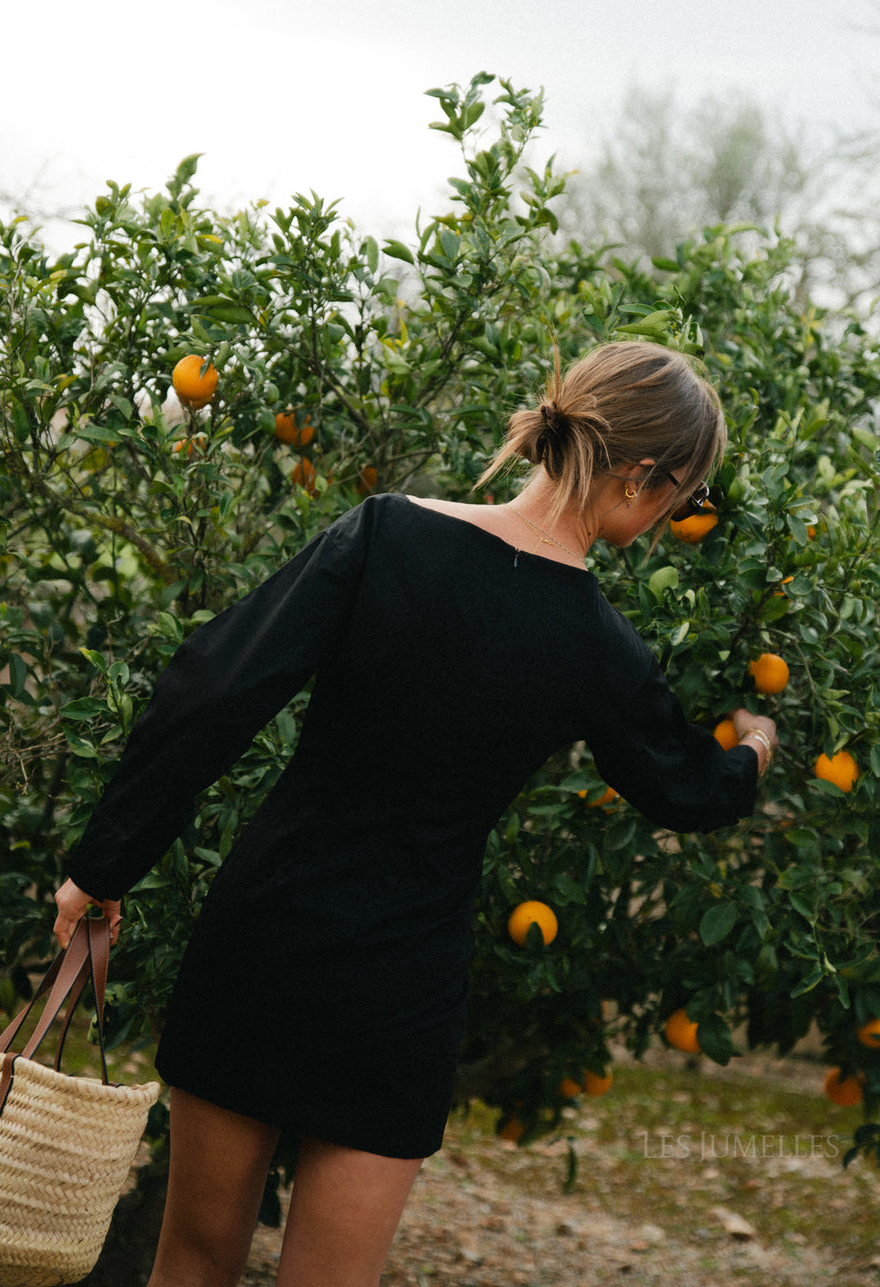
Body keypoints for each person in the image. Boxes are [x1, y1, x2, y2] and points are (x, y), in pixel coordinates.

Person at [54, 340, 778, 1287]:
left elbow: (211, 696)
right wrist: (753, 747)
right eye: (684, 497)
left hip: (264, 936)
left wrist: (101, 869)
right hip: (399, 984)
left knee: (190, 1261)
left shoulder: (385, 535)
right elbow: (688, 791)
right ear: (645, 475)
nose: (676, 514)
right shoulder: (601, 648)